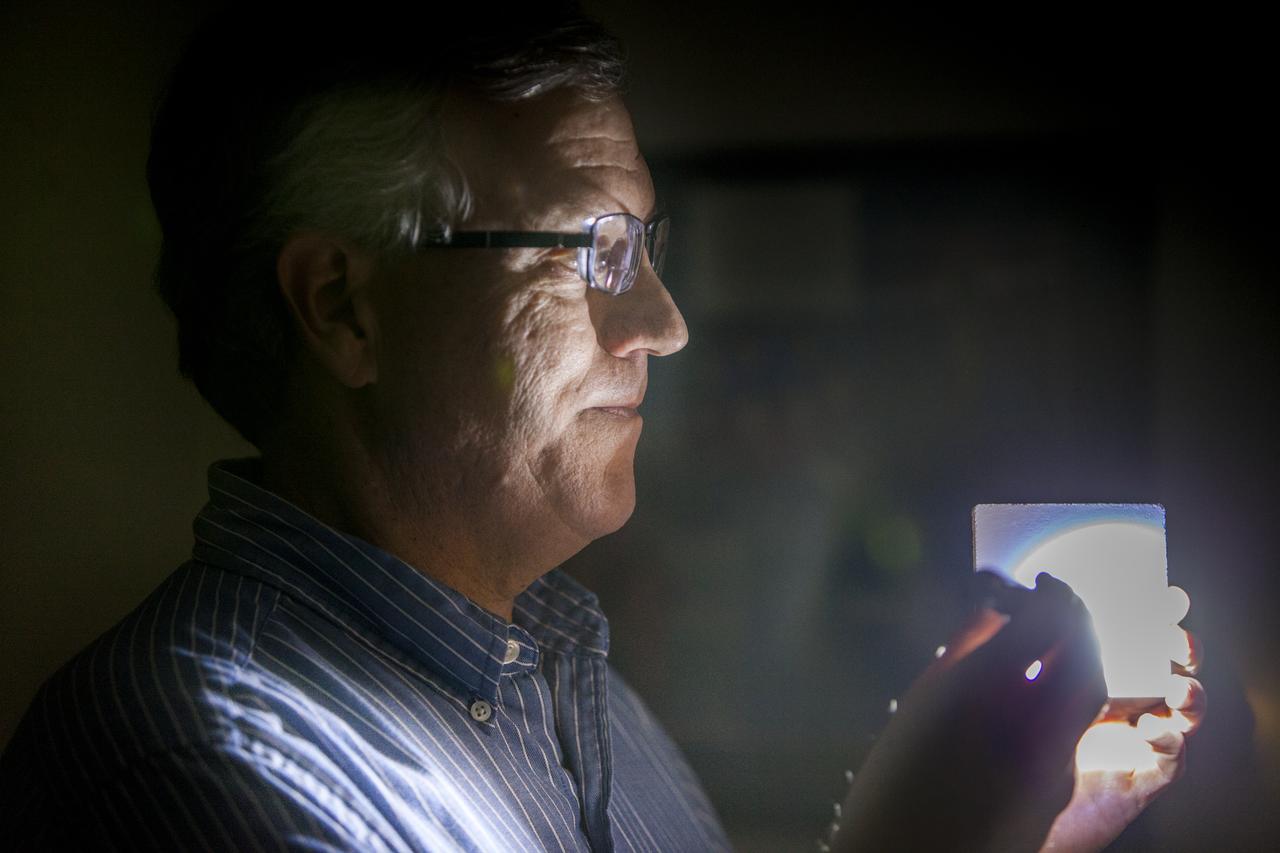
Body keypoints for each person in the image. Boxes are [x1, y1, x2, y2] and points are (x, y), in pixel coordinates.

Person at [0, 4, 1203, 850]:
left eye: (644, 247)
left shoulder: (564, 685)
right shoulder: (200, 769)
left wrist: (1014, 830)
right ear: (342, 307)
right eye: (591, 252)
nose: (663, 324)